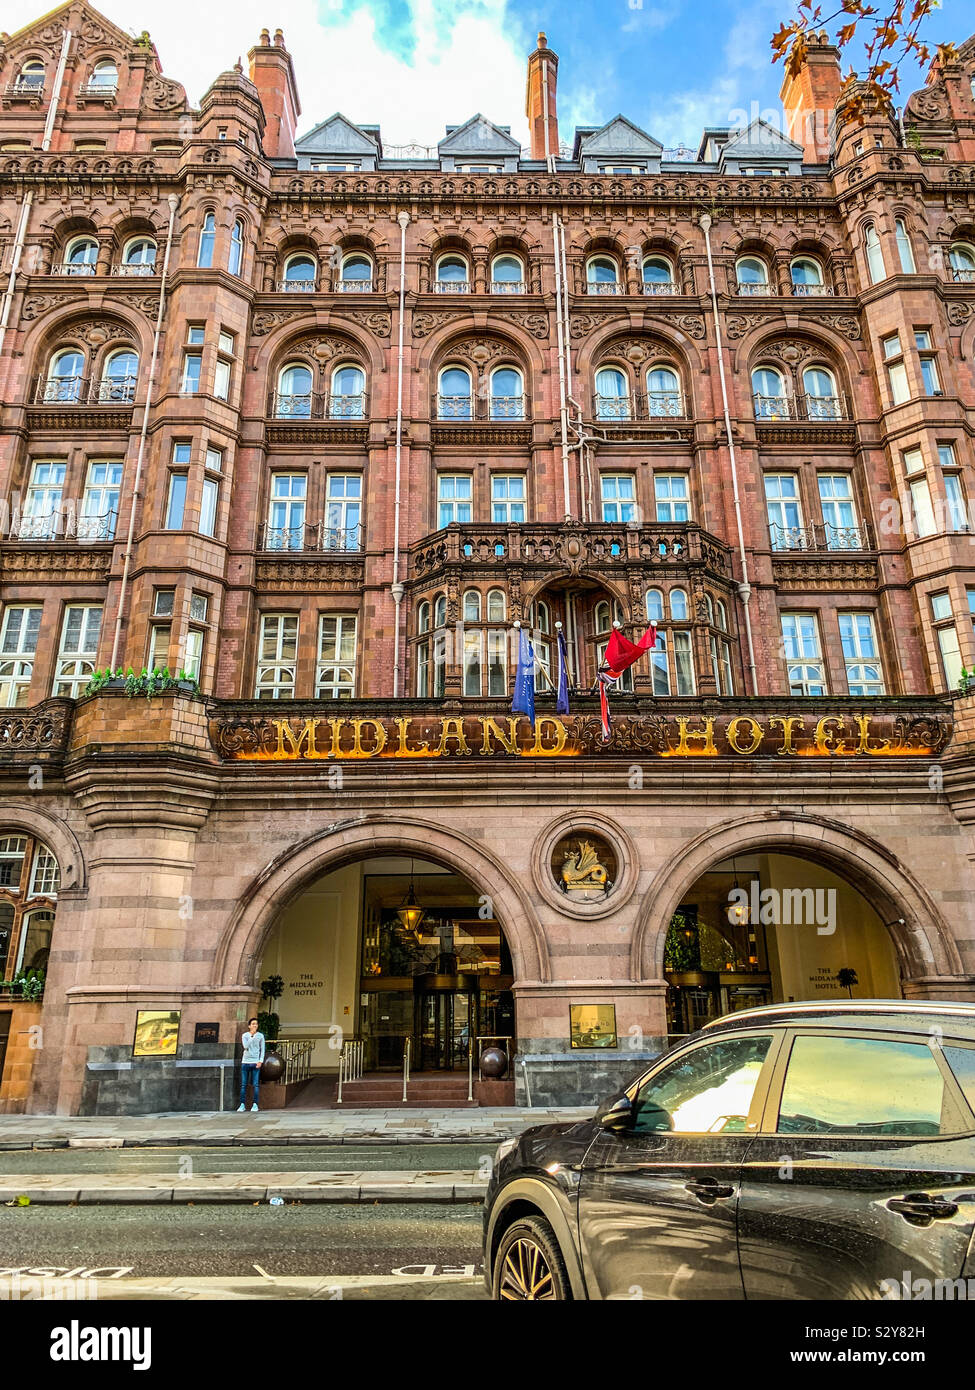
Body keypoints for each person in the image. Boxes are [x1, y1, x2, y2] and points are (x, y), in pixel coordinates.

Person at [238, 1017, 265, 1112]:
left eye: (256, 1024)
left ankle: (255, 1104)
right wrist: (252, 1036)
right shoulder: (245, 1035)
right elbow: (245, 1046)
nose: (255, 1025)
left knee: (256, 1085)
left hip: (255, 1062)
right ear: (249, 1026)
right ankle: (242, 1104)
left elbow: (262, 1049)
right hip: (245, 1062)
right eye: (253, 1024)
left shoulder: (260, 1036)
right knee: (243, 1085)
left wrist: (260, 1061)